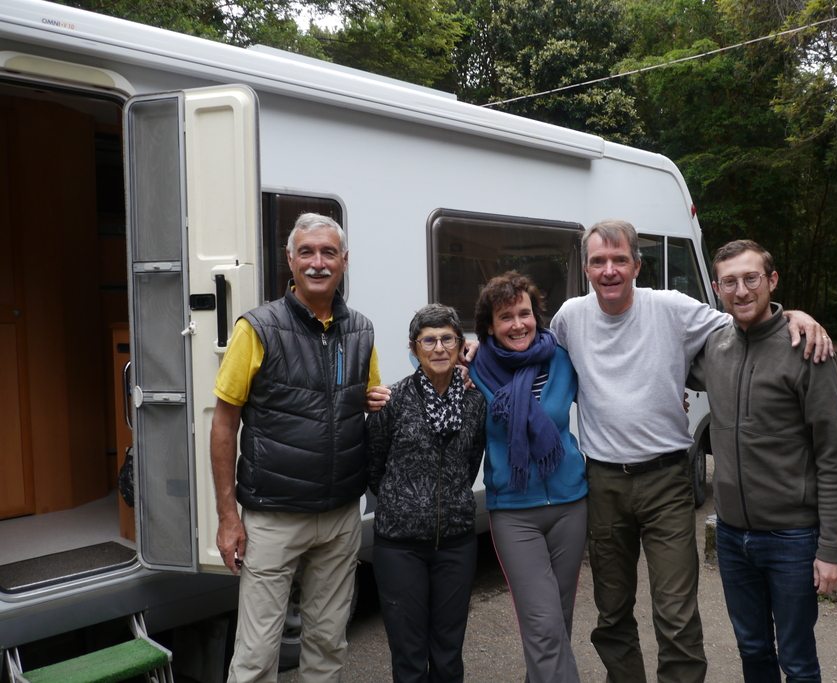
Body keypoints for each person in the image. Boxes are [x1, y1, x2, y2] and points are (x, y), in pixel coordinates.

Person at [547, 219, 832, 683]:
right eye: (599, 261)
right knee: (612, 612)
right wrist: (475, 353)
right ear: (586, 268)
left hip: (666, 482)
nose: (610, 270)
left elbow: (751, 322)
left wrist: (796, 315)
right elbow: (531, 355)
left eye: (620, 259)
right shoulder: (568, 318)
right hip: (603, 483)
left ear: (638, 265)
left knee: (676, 615)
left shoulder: (672, 308)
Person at [210, 212, 390, 683]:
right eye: (306, 252)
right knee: (256, 654)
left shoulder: (361, 331)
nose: (317, 262)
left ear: (344, 261)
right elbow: (224, 424)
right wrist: (229, 518)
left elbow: (366, 398)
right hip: (273, 516)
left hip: (339, 517)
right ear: (289, 260)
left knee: (328, 644)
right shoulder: (258, 328)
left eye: (328, 252)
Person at [688, 240, 837, 682]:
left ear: (772, 280)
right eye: (729, 282)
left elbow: (833, 458)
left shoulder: (807, 349)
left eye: (751, 278)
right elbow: (655, 349)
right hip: (732, 535)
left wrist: (831, 549)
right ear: (718, 289)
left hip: (792, 538)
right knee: (753, 651)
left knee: (797, 661)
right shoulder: (715, 349)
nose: (741, 291)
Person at [469, 272, 588, 683]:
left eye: (524, 313)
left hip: (571, 505)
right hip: (514, 513)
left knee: (559, 620)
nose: (518, 324)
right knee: (543, 623)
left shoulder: (562, 357)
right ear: (489, 327)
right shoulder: (476, 369)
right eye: (505, 317)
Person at [366, 303, 487, 683]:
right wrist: (406, 503)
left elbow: (471, 463)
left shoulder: (474, 401)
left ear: (459, 343)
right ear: (413, 347)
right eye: (428, 340)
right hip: (399, 545)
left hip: (456, 543)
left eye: (447, 339)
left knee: (449, 654)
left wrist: (447, 501)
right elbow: (374, 467)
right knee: (409, 655)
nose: (438, 348)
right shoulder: (393, 400)